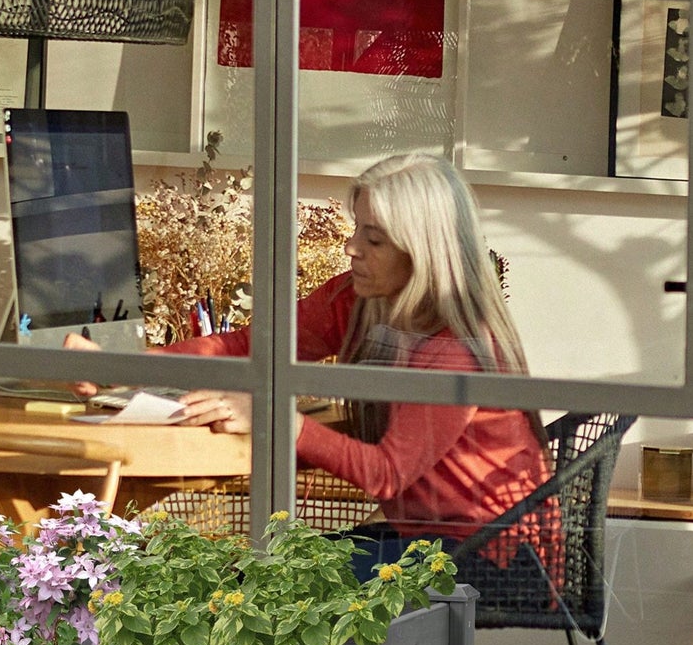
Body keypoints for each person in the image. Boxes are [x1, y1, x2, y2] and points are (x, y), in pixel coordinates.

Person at [67, 152, 551, 566]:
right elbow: (248, 348)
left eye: (375, 239)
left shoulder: (456, 351)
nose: (352, 248)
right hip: (421, 536)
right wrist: (123, 366)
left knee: (251, 589)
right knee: (238, 577)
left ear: (423, 251)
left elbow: (386, 473)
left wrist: (276, 419)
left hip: (485, 556)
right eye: (357, 229)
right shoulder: (358, 301)